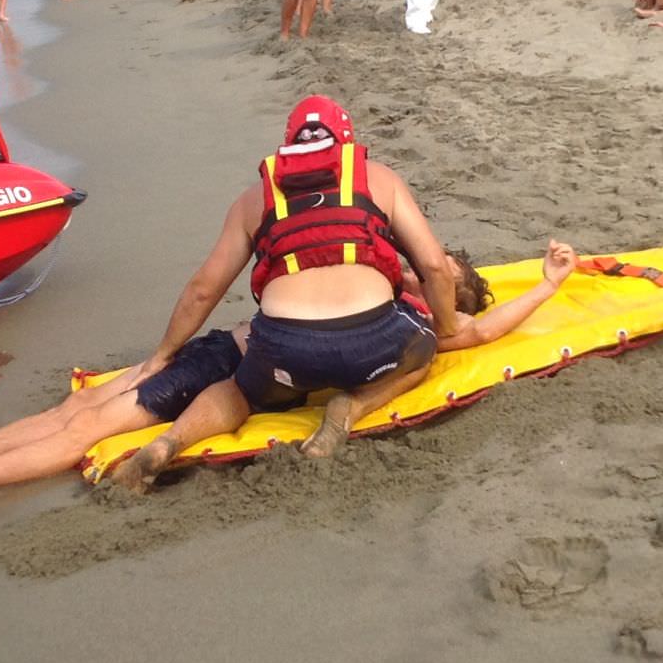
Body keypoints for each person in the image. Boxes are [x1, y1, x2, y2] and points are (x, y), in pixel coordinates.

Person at [0, 238, 577, 498]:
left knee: (82, 430)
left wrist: (546, 285)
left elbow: (485, 328)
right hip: (226, 358)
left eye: (443, 273)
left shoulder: (422, 323)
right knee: (70, 414)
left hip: (220, 363)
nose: (430, 271)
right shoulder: (385, 298)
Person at [111, 96, 461, 489]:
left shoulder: (254, 198)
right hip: (372, 340)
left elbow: (203, 290)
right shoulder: (378, 177)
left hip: (285, 349)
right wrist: (446, 328)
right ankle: (353, 406)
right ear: (346, 142)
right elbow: (433, 266)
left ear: (290, 144)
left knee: (241, 391)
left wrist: (162, 354)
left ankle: (168, 442)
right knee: (421, 352)